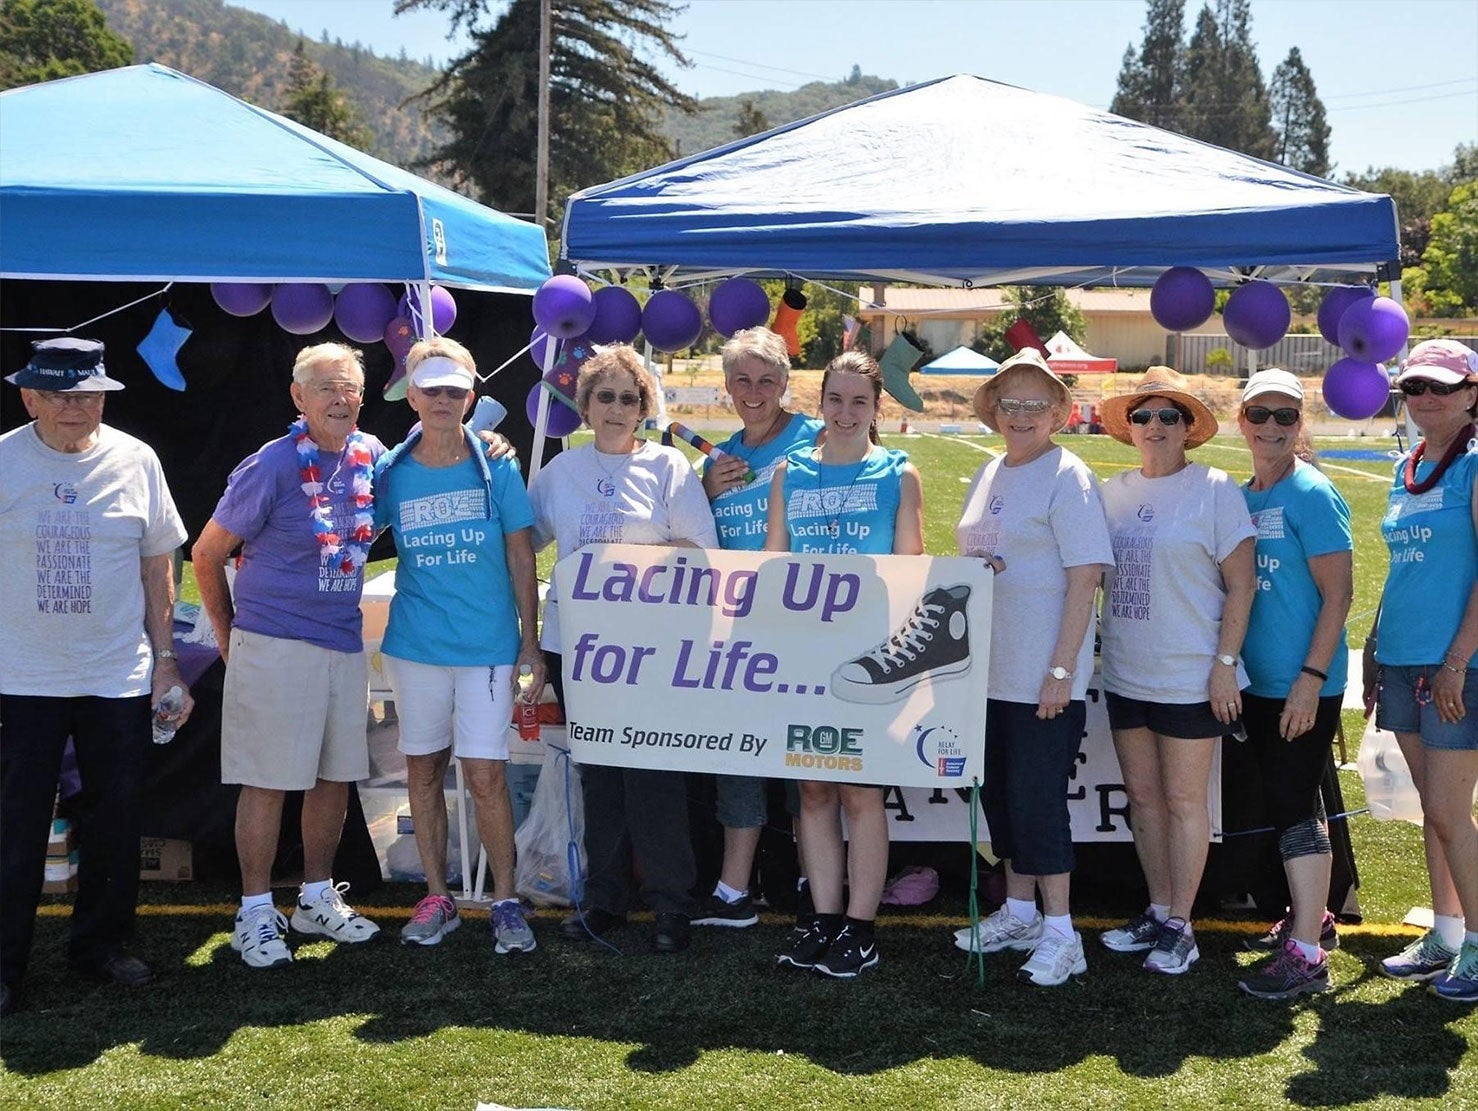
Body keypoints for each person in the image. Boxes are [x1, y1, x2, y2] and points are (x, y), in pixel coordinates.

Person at [0, 338, 190, 1016]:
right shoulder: (3, 459)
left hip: (117, 674)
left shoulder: (137, 460)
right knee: (14, 825)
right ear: (28, 397)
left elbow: (158, 567)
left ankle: (101, 947)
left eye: (86, 393)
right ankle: (5, 966)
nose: (74, 406)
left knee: (115, 819)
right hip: (20, 676)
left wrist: (166, 659)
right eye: (57, 394)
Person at [194, 343, 386, 969]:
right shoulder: (272, 466)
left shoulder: (371, 457)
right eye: (326, 388)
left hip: (341, 641)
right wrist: (229, 639)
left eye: (350, 388)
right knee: (271, 781)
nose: (340, 399)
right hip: (274, 642)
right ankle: (254, 910)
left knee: (333, 778)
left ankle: (315, 897)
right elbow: (206, 552)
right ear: (298, 398)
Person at [528, 345, 718, 954]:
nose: (615, 408)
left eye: (628, 397)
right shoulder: (559, 474)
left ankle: (669, 904)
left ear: (644, 406)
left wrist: (631, 566)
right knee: (601, 775)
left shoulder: (669, 468)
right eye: (603, 396)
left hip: (652, 649)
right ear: (584, 405)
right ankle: (604, 900)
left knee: (656, 772)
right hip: (576, 647)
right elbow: (519, 542)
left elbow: (699, 551)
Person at [372, 339, 545, 953]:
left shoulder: (495, 464)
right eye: (432, 389)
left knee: (485, 773)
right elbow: (351, 526)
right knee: (422, 767)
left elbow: (522, 555)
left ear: (470, 397)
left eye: (455, 390)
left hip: (490, 648)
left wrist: (531, 642)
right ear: (411, 395)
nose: (443, 400)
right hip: (416, 646)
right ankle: (438, 897)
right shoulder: (391, 471)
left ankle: (504, 901)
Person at [947, 349, 1112, 987]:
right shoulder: (989, 472)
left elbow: (1085, 577)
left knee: (1040, 803)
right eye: (1008, 403)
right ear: (993, 410)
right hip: (982, 671)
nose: (1019, 414)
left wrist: (1063, 670)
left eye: (1034, 404)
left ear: (1058, 413)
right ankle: (1018, 911)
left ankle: (1063, 932)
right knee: (1002, 802)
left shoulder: (1066, 475)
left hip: (1041, 675)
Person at [765, 350, 924, 978]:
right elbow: (774, 563)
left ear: (877, 407)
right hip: (804, 657)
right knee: (812, 789)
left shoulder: (898, 473)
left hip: (869, 661)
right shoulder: (790, 473)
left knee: (861, 792)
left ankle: (861, 928)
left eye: (860, 401)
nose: (846, 411)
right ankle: (822, 919)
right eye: (836, 399)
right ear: (821, 402)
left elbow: (913, 569)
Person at [1097, 365, 1256, 975]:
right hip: (1127, 673)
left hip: (1191, 675)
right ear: (1129, 428)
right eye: (1143, 416)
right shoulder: (1112, 492)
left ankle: (1182, 927)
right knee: (1144, 799)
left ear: (1189, 428)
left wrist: (1223, 665)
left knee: (1187, 802)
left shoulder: (1215, 489)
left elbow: (1241, 588)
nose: (1155, 426)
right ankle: (1159, 908)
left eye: (1169, 416)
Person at [1226, 369, 1353, 1000]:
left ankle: (1307, 954)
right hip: (1257, 682)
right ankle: (1311, 921)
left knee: (1296, 807)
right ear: (1241, 419)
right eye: (1260, 415)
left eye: (1285, 416)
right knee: (1286, 805)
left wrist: (1311, 679)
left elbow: (1339, 596)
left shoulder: (1312, 492)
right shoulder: (1243, 495)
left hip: (1302, 685)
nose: (1271, 426)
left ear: (1299, 424)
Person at [694, 327, 824, 930]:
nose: (754, 391)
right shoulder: (716, 460)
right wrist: (701, 491)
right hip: (736, 633)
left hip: (803, 624)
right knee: (737, 753)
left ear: (785, 385)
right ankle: (733, 889)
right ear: (726, 387)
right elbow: (691, 541)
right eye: (742, 380)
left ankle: (809, 877)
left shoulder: (814, 439)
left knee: (805, 760)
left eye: (766, 380)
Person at [1363, 338, 1478, 1003]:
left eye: (1440, 387)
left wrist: (1459, 659)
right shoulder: (1408, 464)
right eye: (1414, 388)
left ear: (1470, 394)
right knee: (1436, 815)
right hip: (1404, 659)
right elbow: (1404, 571)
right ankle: (1445, 931)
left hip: (1455, 665)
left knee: (1447, 808)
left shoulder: (1472, 466)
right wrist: (1377, 645)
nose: (1426, 399)